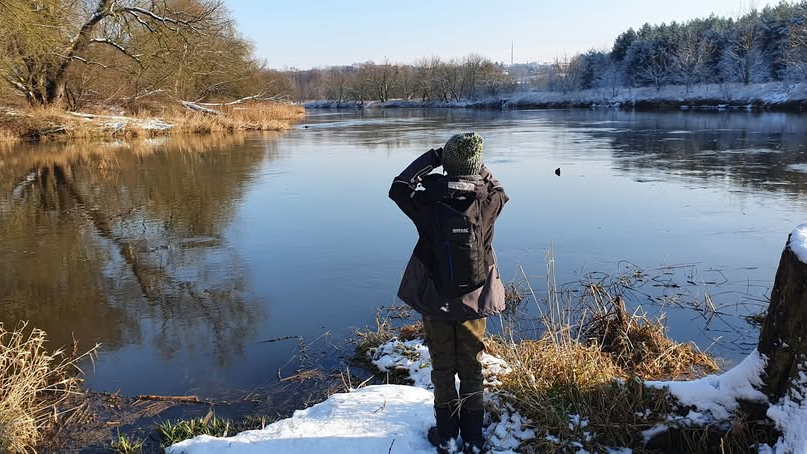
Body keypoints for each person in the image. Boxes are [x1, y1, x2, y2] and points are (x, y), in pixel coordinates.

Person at [388, 132, 509, 453]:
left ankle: (446, 435)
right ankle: (471, 435)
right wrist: (480, 169)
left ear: (448, 164)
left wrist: (431, 158)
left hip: (435, 299)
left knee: (443, 367)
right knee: (471, 365)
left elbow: (398, 187)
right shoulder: (488, 202)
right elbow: (500, 189)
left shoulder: (427, 202)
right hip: (474, 298)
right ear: (477, 164)